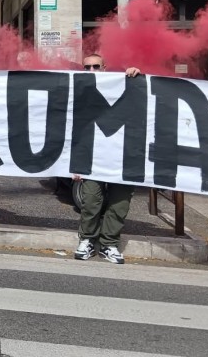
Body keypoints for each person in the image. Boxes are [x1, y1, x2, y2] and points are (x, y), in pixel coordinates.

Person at [73, 53, 141, 265]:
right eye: (87, 67)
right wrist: (73, 162)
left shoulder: (120, 84)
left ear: (104, 68)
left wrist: (136, 77)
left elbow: (142, 101)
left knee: (120, 203)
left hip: (122, 157)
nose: (91, 71)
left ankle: (109, 244)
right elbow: (72, 127)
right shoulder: (78, 90)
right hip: (92, 158)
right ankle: (87, 240)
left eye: (95, 66)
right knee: (91, 201)